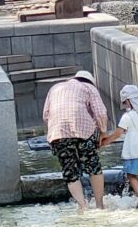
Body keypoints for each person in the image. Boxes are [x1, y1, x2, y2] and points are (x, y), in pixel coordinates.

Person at [42, 70, 109, 212]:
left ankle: (82, 206)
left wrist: (52, 133)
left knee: (69, 170)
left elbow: (46, 115)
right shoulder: (88, 87)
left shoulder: (55, 88)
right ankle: (99, 206)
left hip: (58, 133)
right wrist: (102, 132)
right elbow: (100, 112)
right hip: (83, 131)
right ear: (91, 81)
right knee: (93, 166)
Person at [101, 84, 138, 208]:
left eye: (125, 102)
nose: (125, 105)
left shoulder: (127, 116)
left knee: (131, 175)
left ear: (129, 101)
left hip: (134, 150)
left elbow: (118, 133)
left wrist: (105, 142)